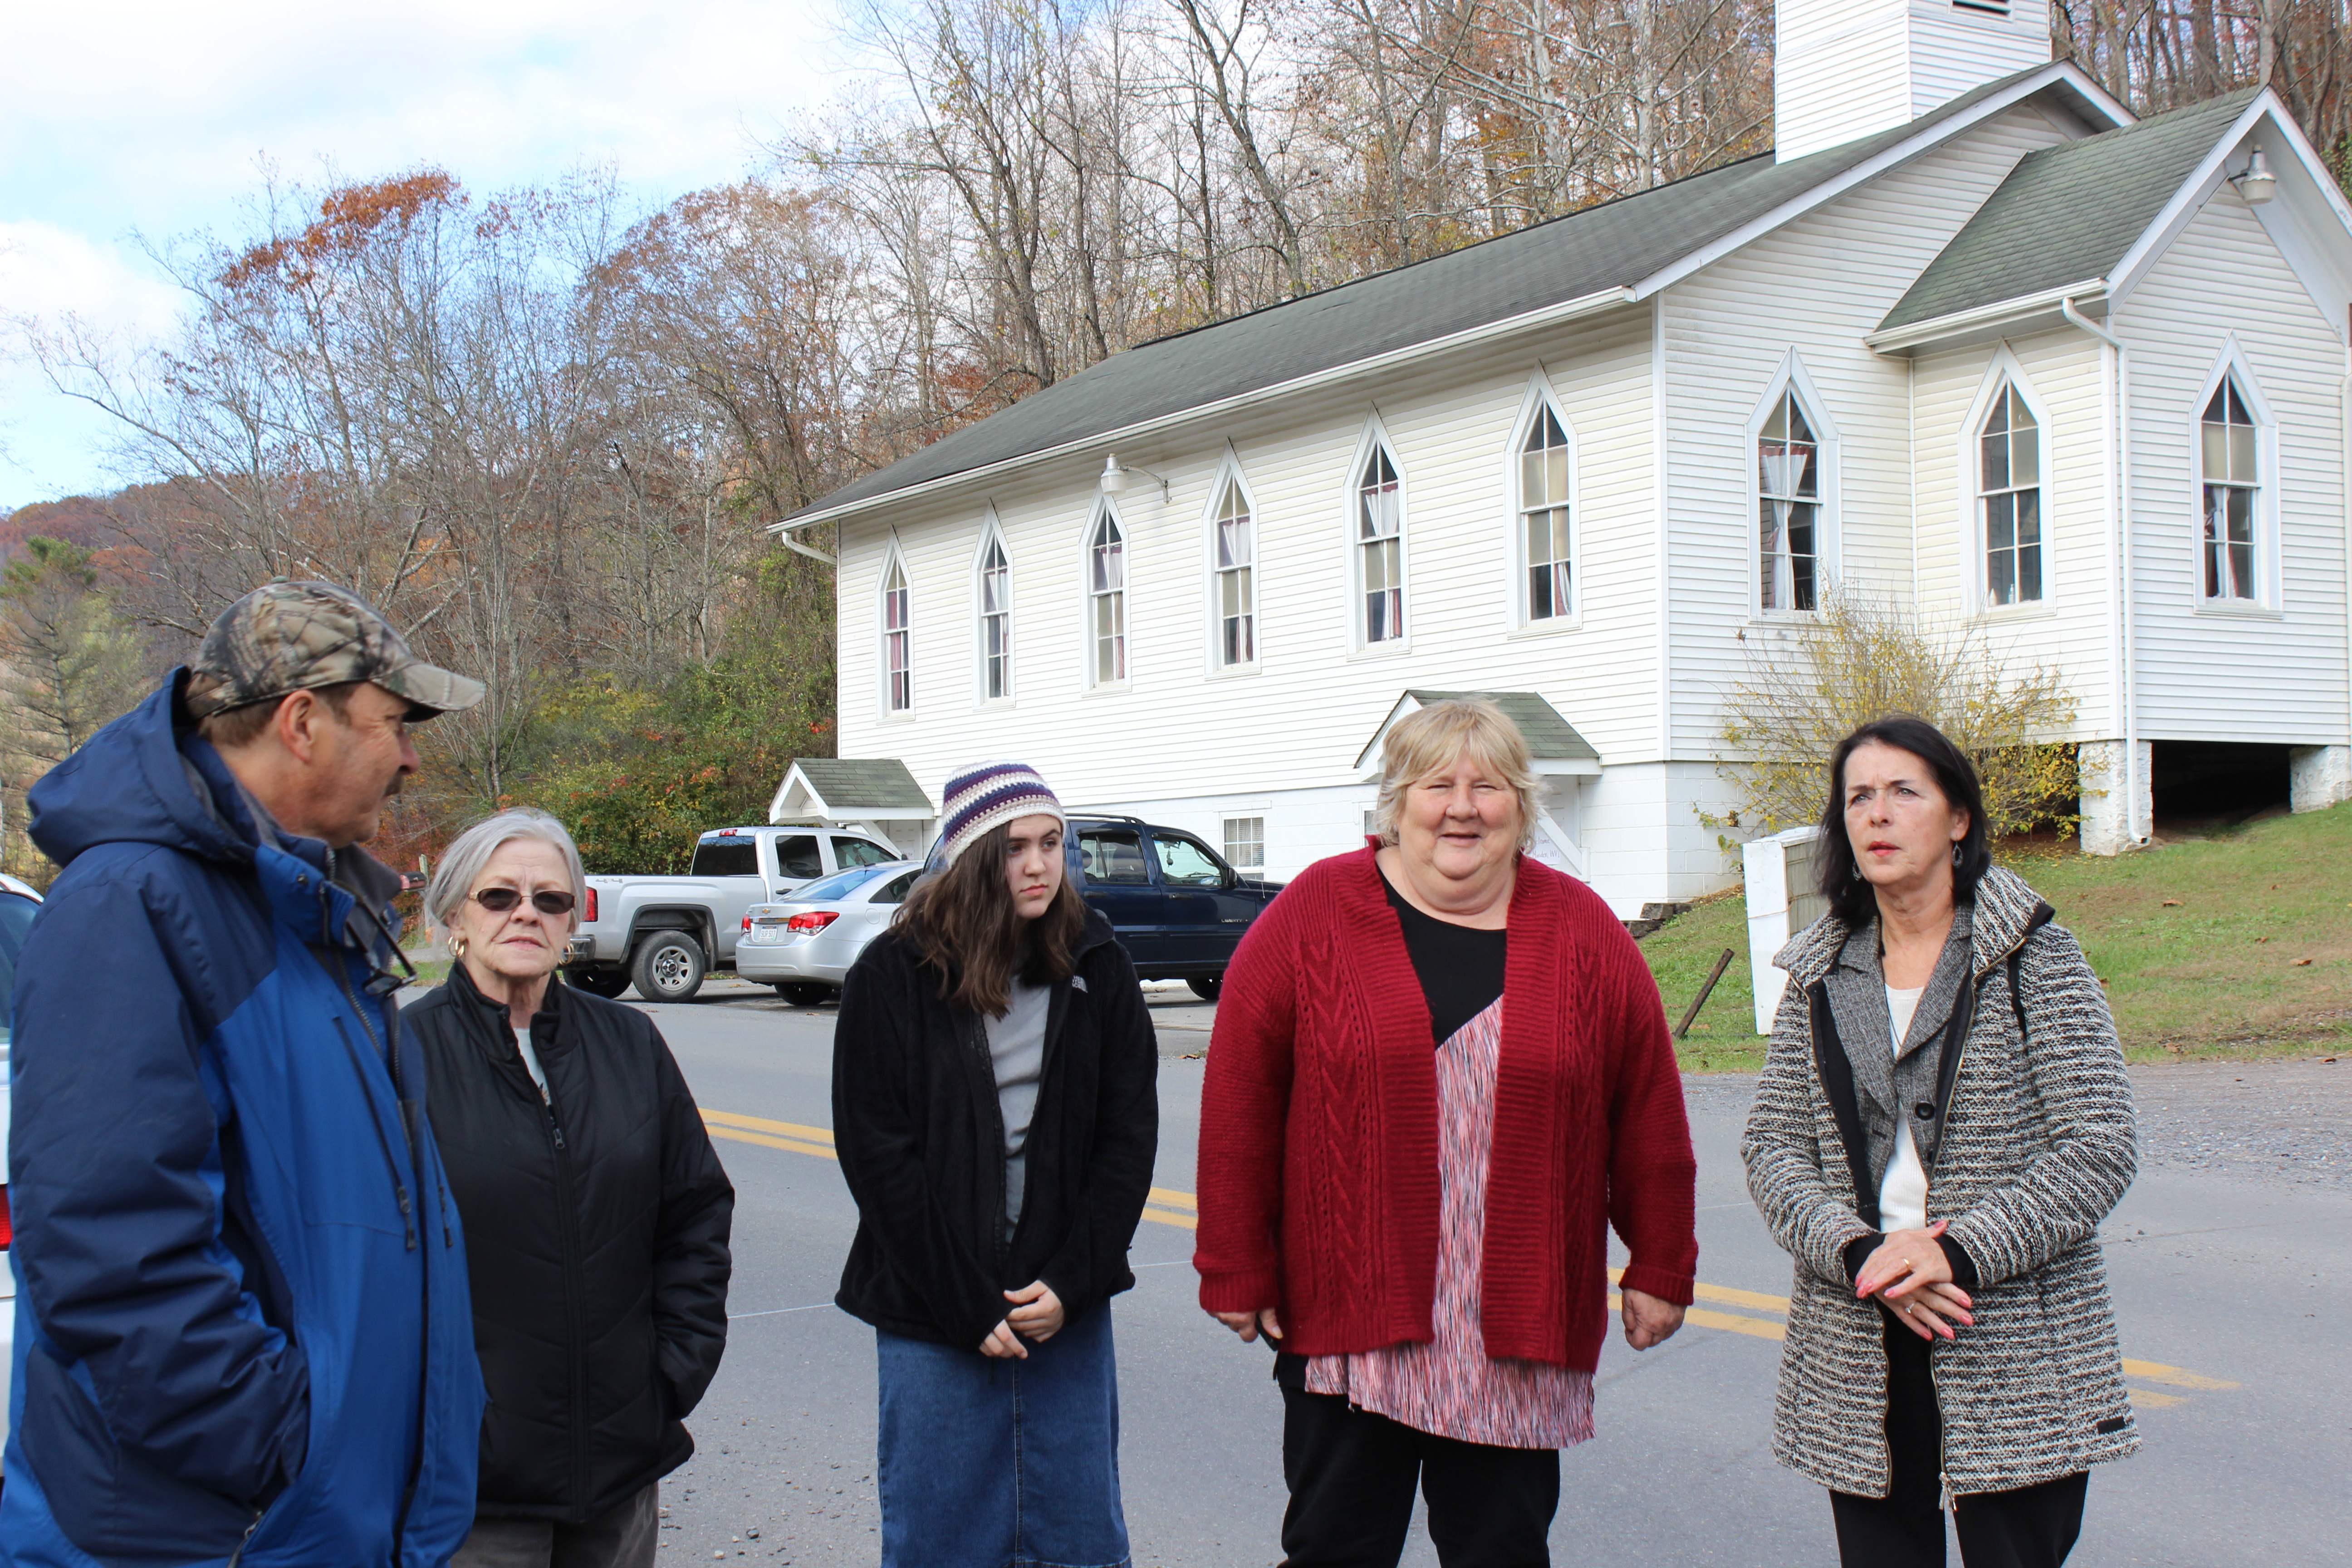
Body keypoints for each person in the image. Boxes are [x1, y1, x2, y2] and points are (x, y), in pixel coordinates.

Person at [4, 581, 488, 1567]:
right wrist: (287, 1452)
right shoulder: (131, 903)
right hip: (208, 1533)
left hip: (305, 1521)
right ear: (303, 722)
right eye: (392, 724)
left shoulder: (309, 912)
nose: (408, 757)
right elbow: (112, 1252)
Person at [1195, 698, 1699, 1568]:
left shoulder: (1584, 932)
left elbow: (1648, 1113)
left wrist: (1660, 1264)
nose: (1463, 806)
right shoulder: (1314, 913)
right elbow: (1240, 1103)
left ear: (1522, 805)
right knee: (1334, 1551)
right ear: (1398, 800)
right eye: (1438, 785)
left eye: (1490, 786)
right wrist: (1237, 1262)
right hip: (1352, 1315)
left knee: (1501, 1552)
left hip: (1516, 1322)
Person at [1741, 715, 2139, 1568]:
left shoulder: (2035, 956)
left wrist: (1950, 1253)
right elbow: (1771, 1150)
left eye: (1903, 792)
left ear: (1958, 818)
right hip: (1856, 1326)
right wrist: (1863, 1257)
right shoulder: (1816, 972)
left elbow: (2099, 1144)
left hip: (2010, 1333)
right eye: (1858, 798)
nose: (1876, 815)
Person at [832, 762, 1159, 1568]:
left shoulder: (1098, 964)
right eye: (1016, 848)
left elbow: (1128, 1139)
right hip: (934, 1317)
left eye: (1053, 843)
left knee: (1078, 1541)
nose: (1042, 864)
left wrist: (1076, 1280)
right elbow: (878, 1157)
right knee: (939, 1542)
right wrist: (962, 1302)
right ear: (974, 858)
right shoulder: (892, 976)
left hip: (1062, 1313)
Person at [407, 809, 735, 1568]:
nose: (526, 912)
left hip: (619, 1471)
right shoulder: (398, 1055)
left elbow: (695, 1213)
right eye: (499, 897)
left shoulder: (629, 1043)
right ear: (456, 914)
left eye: (550, 899)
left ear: (571, 923)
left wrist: (671, 1374)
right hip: (472, 1489)